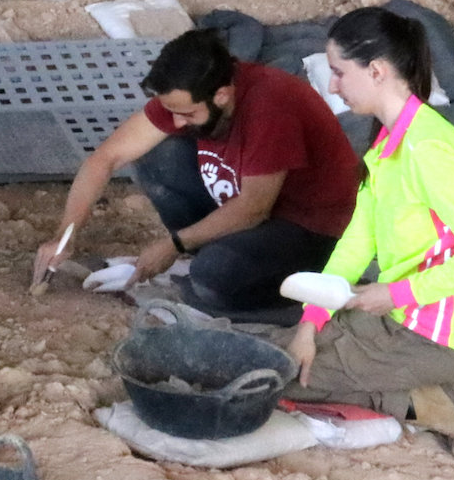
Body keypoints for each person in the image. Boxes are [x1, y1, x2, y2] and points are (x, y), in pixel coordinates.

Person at [284, 6, 454, 462]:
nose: (333, 86)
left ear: (377, 70)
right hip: (401, 318)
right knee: (285, 353)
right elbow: (356, 242)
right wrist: (312, 319)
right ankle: (401, 381)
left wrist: (398, 294)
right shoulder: (388, 144)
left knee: (282, 383)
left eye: (338, 73)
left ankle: (435, 402)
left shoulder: (429, 148)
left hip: (439, 335)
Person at [31, 28, 360, 318]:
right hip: (251, 212)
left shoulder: (270, 105)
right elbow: (106, 158)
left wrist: (173, 245)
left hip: (313, 230)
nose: (175, 122)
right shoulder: (189, 93)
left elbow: (254, 208)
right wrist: (65, 234)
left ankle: (259, 289)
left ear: (222, 95)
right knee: (158, 156)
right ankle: (205, 256)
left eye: (187, 113)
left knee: (214, 279)